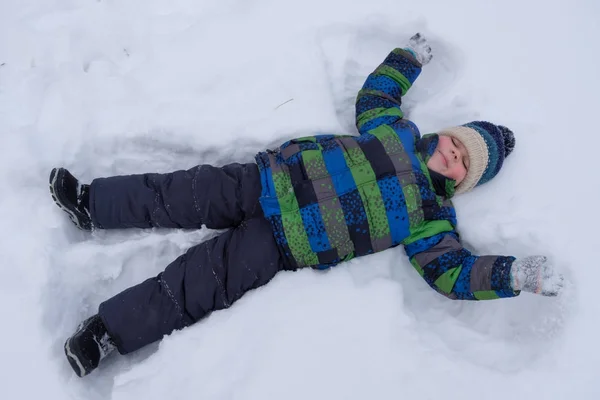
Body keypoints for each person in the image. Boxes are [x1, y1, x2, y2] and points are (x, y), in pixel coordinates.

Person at [50, 33, 563, 378]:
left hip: (285, 244)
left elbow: (452, 272)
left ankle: (106, 333)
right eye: (456, 145)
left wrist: (513, 274)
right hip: (266, 181)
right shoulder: (396, 132)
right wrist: (406, 61)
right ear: (447, 135)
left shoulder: (432, 219)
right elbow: (375, 98)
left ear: (462, 183)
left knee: (197, 283)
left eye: (460, 165)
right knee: (178, 193)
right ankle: (92, 203)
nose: (450, 157)